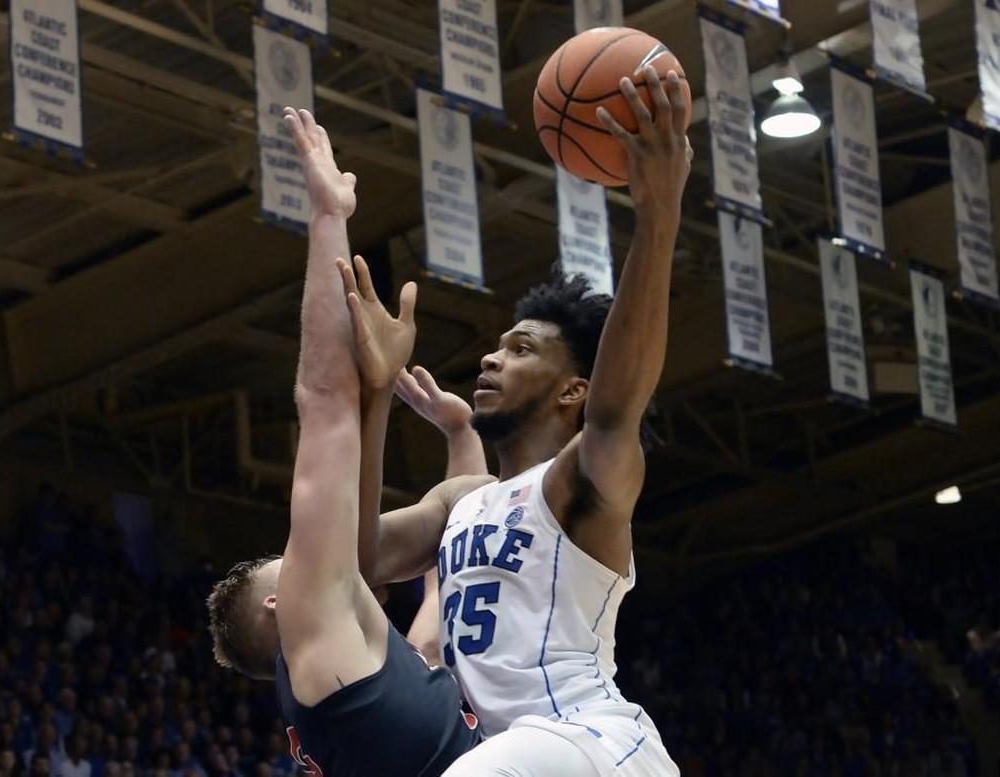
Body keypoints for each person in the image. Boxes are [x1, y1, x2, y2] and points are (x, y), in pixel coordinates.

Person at [366, 66, 691, 775]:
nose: (490, 357)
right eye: (496, 344)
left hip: (591, 741)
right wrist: (366, 397)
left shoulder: (580, 479)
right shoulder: (460, 501)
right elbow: (352, 558)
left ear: (574, 388)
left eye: (520, 349)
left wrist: (657, 215)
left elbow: (617, 407)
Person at [205, 108, 491, 777]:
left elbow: (444, 594)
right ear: (283, 602)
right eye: (293, 555)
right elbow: (324, 404)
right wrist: (328, 216)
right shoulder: (314, 614)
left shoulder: (350, 669)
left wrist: (458, 432)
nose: (311, 548)